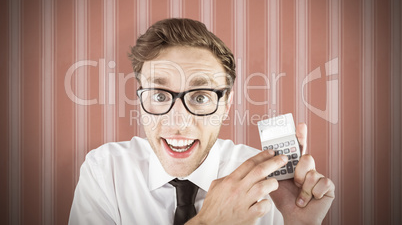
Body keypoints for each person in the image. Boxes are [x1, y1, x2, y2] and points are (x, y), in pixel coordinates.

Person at [69, 18, 335, 225]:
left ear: (227, 105)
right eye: (160, 95)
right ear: (140, 99)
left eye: (200, 97)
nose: (178, 122)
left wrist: (298, 223)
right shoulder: (105, 171)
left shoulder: (268, 186)